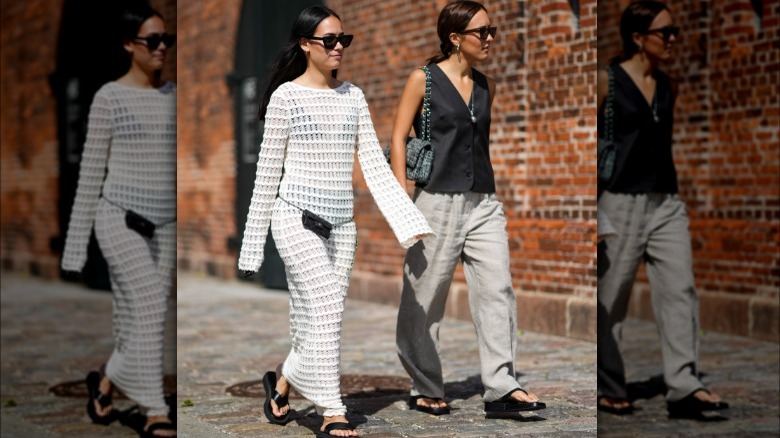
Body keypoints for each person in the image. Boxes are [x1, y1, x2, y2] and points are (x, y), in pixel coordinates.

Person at [237, 5, 433, 437]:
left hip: (342, 229)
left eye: (344, 39)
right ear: (306, 44)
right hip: (294, 219)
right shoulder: (285, 98)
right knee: (325, 307)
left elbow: (375, 168)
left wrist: (408, 217)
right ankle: (331, 408)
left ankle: (282, 385)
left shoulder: (354, 97)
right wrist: (251, 248)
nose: (339, 47)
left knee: (320, 321)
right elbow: (266, 176)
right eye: (330, 40)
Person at [390, 0, 546, 419]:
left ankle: (501, 386)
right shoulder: (421, 80)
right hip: (435, 200)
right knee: (425, 295)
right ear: (455, 38)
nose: (491, 38)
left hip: (483, 202)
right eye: (483, 32)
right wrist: (403, 197)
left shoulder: (485, 85)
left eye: (492, 30)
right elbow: (398, 137)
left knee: (497, 288)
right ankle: (424, 382)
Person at [596, 0, 728, 419]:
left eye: (675, 32)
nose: (672, 39)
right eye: (664, 32)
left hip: (667, 203)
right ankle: (610, 385)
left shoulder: (669, 85)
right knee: (610, 299)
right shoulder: (607, 82)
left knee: (680, 290)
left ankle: (684, 386)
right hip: (619, 203)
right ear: (638, 38)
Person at [61, 3, 177, 437]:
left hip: (165, 226)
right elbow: (90, 176)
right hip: (118, 220)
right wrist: (74, 251)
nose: (162, 47)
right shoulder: (108, 97)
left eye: (167, 39)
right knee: (148, 306)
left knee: (144, 321)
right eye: (153, 40)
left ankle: (106, 383)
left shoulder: (175, 96)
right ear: (130, 44)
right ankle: (155, 410)